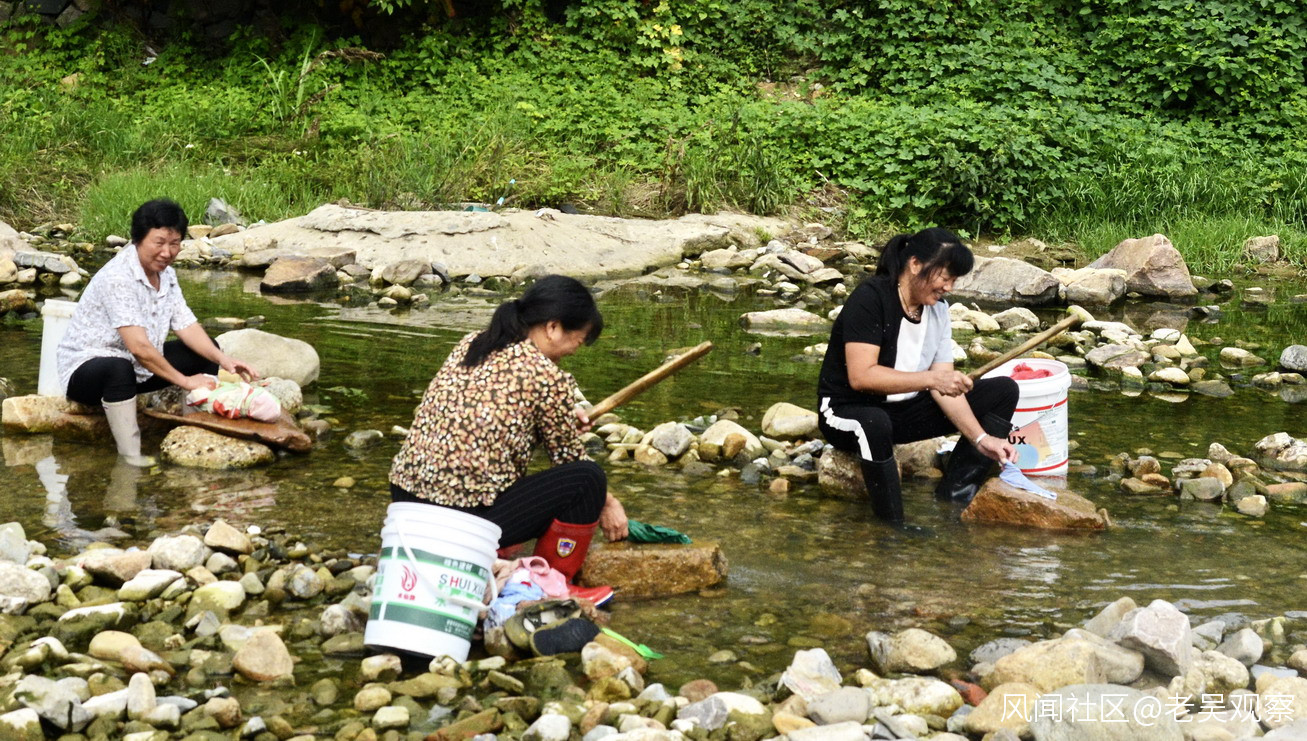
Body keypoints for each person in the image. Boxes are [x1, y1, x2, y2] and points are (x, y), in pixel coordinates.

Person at [389, 274, 628, 604]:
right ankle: (547, 586)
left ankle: (500, 559)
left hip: (406, 508)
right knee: (589, 480)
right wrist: (609, 502)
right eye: (579, 339)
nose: (576, 349)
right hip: (458, 523)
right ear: (553, 327)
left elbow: (484, 420)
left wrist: (555, 419)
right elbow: (569, 459)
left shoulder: (473, 343)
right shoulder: (547, 375)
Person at [816, 227, 1019, 527]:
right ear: (915, 264)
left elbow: (943, 386)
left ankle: (954, 500)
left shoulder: (938, 312)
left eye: (953, 280)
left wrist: (981, 438)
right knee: (875, 422)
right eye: (945, 277)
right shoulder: (871, 298)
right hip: (846, 411)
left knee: (1003, 390)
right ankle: (892, 528)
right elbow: (862, 377)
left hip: (901, 412)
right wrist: (932, 380)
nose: (948, 287)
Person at [57, 199, 259, 467]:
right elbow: (139, 347)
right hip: (89, 373)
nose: (167, 252)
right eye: (159, 242)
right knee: (118, 368)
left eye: (174, 243)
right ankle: (130, 458)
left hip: (137, 368)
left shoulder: (168, 276)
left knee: (206, 349)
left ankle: (195, 428)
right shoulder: (118, 277)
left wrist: (225, 360)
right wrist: (185, 381)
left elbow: (186, 325)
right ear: (138, 239)